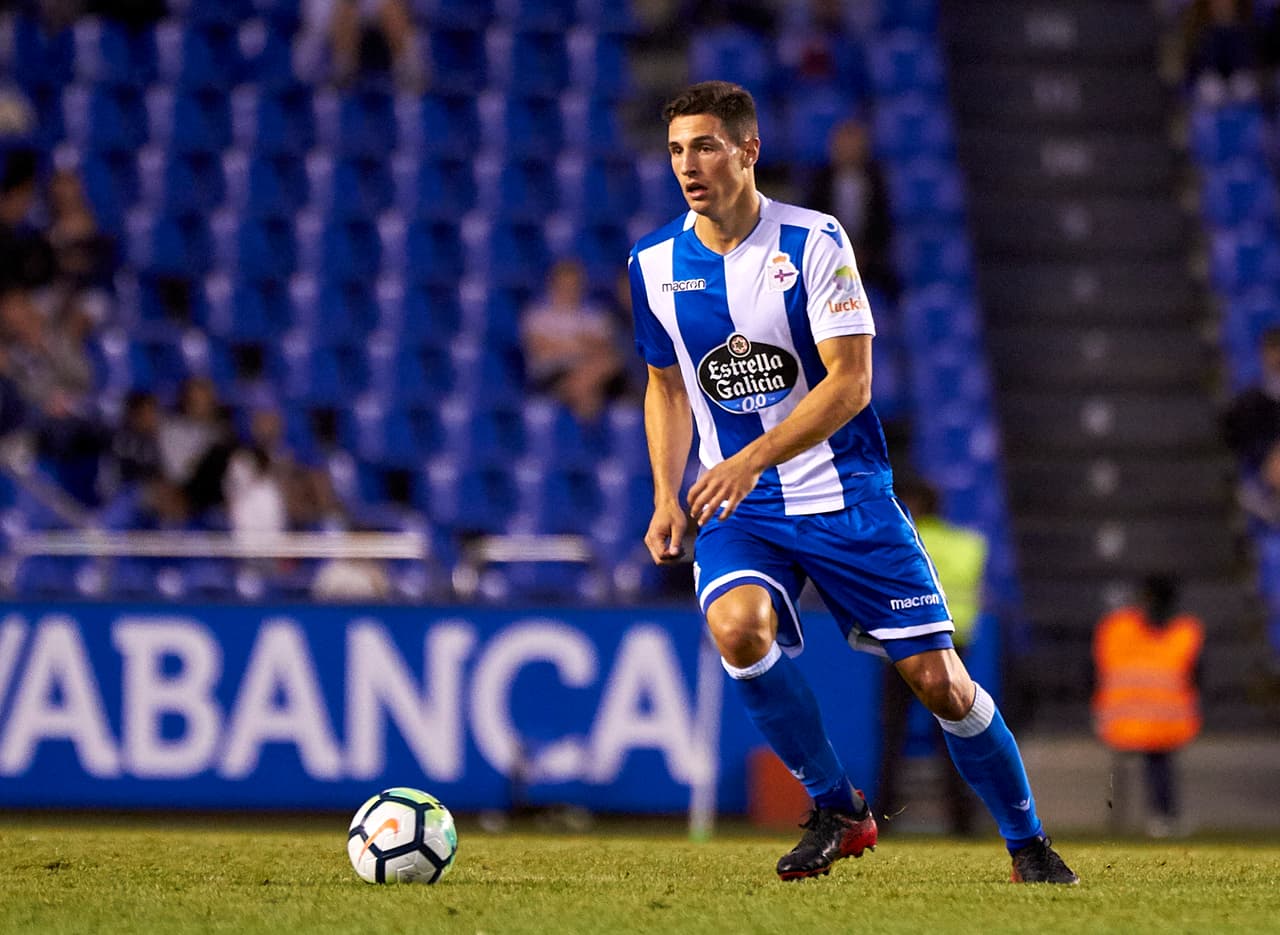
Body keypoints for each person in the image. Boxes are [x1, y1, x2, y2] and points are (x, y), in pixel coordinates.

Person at [630, 81, 1076, 883]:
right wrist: (667, 493)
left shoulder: (813, 241)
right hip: (746, 507)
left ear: (747, 149)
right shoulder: (653, 263)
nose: (687, 165)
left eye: (704, 146)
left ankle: (1028, 842)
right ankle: (839, 807)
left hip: (846, 495)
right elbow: (664, 384)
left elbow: (852, 384)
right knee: (736, 629)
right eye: (675, 150)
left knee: (940, 683)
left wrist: (749, 456)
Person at [876, 475, 986, 836]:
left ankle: (881, 817)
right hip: (955, 648)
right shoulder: (969, 544)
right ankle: (963, 822)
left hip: (902, 649)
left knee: (892, 738)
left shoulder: (899, 541)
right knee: (956, 737)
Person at [1092, 576, 1204, 837]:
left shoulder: (1115, 628)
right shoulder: (1185, 632)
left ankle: (1125, 819)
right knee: (1159, 760)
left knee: (1153, 758)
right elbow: (1198, 678)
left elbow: (1090, 674)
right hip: (1157, 725)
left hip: (1123, 723)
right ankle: (1162, 817)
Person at [520, 257, 628, 424]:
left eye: (575, 282)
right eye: (565, 282)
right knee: (589, 394)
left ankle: (567, 391)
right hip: (553, 373)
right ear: (553, 283)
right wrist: (582, 343)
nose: (571, 287)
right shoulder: (537, 315)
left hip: (592, 369)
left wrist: (562, 343)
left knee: (611, 362)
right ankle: (587, 430)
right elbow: (540, 349)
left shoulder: (595, 315)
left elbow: (605, 350)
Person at [803, 117, 898, 300]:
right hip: (829, 254)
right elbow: (812, 221)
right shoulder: (819, 182)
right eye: (844, 145)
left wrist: (864, 254)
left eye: (855, 145)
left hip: (871, 258)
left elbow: (883, 224)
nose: (849, 150)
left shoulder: (877, 181)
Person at [1222, 325, 1280, 472]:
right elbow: (1236, 441)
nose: (1278, 356)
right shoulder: (1247, 404)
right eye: (1273, 348)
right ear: (1263, 354)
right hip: (1261, 476)